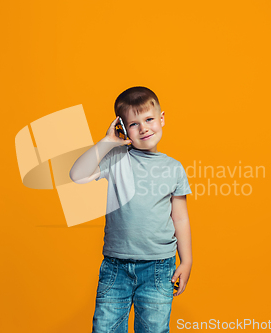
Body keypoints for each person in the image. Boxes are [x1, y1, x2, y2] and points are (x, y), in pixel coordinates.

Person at [69, 86, 192, 333]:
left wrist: (187, 259)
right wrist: (107, 141)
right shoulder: (116, 158)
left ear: (162, 118)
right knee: (105, 328)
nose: (144, 128)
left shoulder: (174, 168)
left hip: (158, 266)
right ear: (123, 129)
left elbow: (179, 218)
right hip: (116, 266)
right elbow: (77, 175)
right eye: (133, 124)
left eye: (149, 119)